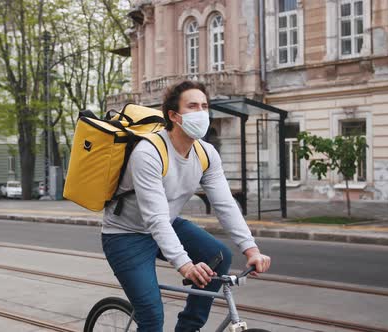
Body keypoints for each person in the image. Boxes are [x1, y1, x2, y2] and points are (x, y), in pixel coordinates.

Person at [102, 80, 271, 331]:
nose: (201, 112)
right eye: (192, 106)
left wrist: (251, 249)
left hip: (166, 225)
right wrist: (186, 265)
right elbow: (155, 218)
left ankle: (188, 328)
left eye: (204, 106)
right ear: (174, 115)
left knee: (219, 257)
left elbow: (225, 204)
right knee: (151, 316)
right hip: (126, 236)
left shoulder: (206, 153)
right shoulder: (149, 152)